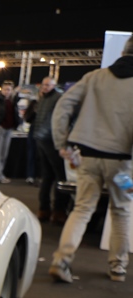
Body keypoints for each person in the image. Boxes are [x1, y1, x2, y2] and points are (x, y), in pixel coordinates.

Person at [49, 37, 133, 284]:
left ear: (122, 52)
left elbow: (63, 106)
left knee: (82, 208)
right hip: (122, 163)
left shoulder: (94, 77)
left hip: (88, 156)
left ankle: (61, 260)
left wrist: (62, 142)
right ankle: (118, 267)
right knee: (121, 211)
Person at [29, 77, 67, 222]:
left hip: (41, 138)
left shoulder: (44, 99)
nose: (45, 87)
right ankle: (57, 211)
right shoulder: (57, 98)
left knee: (48, 176)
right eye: (44, 85)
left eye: (47, 85)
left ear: (53, 85)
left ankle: (44, 210)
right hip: (51, 140)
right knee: (59, 176)